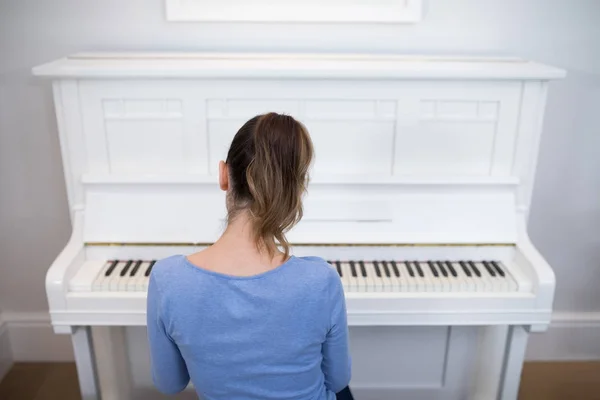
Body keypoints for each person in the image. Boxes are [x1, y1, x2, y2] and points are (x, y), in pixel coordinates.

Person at [146, 112, 353, 400]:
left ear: (223, 175)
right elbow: (338, 378)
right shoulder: (322, 280)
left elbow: (170, 384)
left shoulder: (167, 279)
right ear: (295, 189)